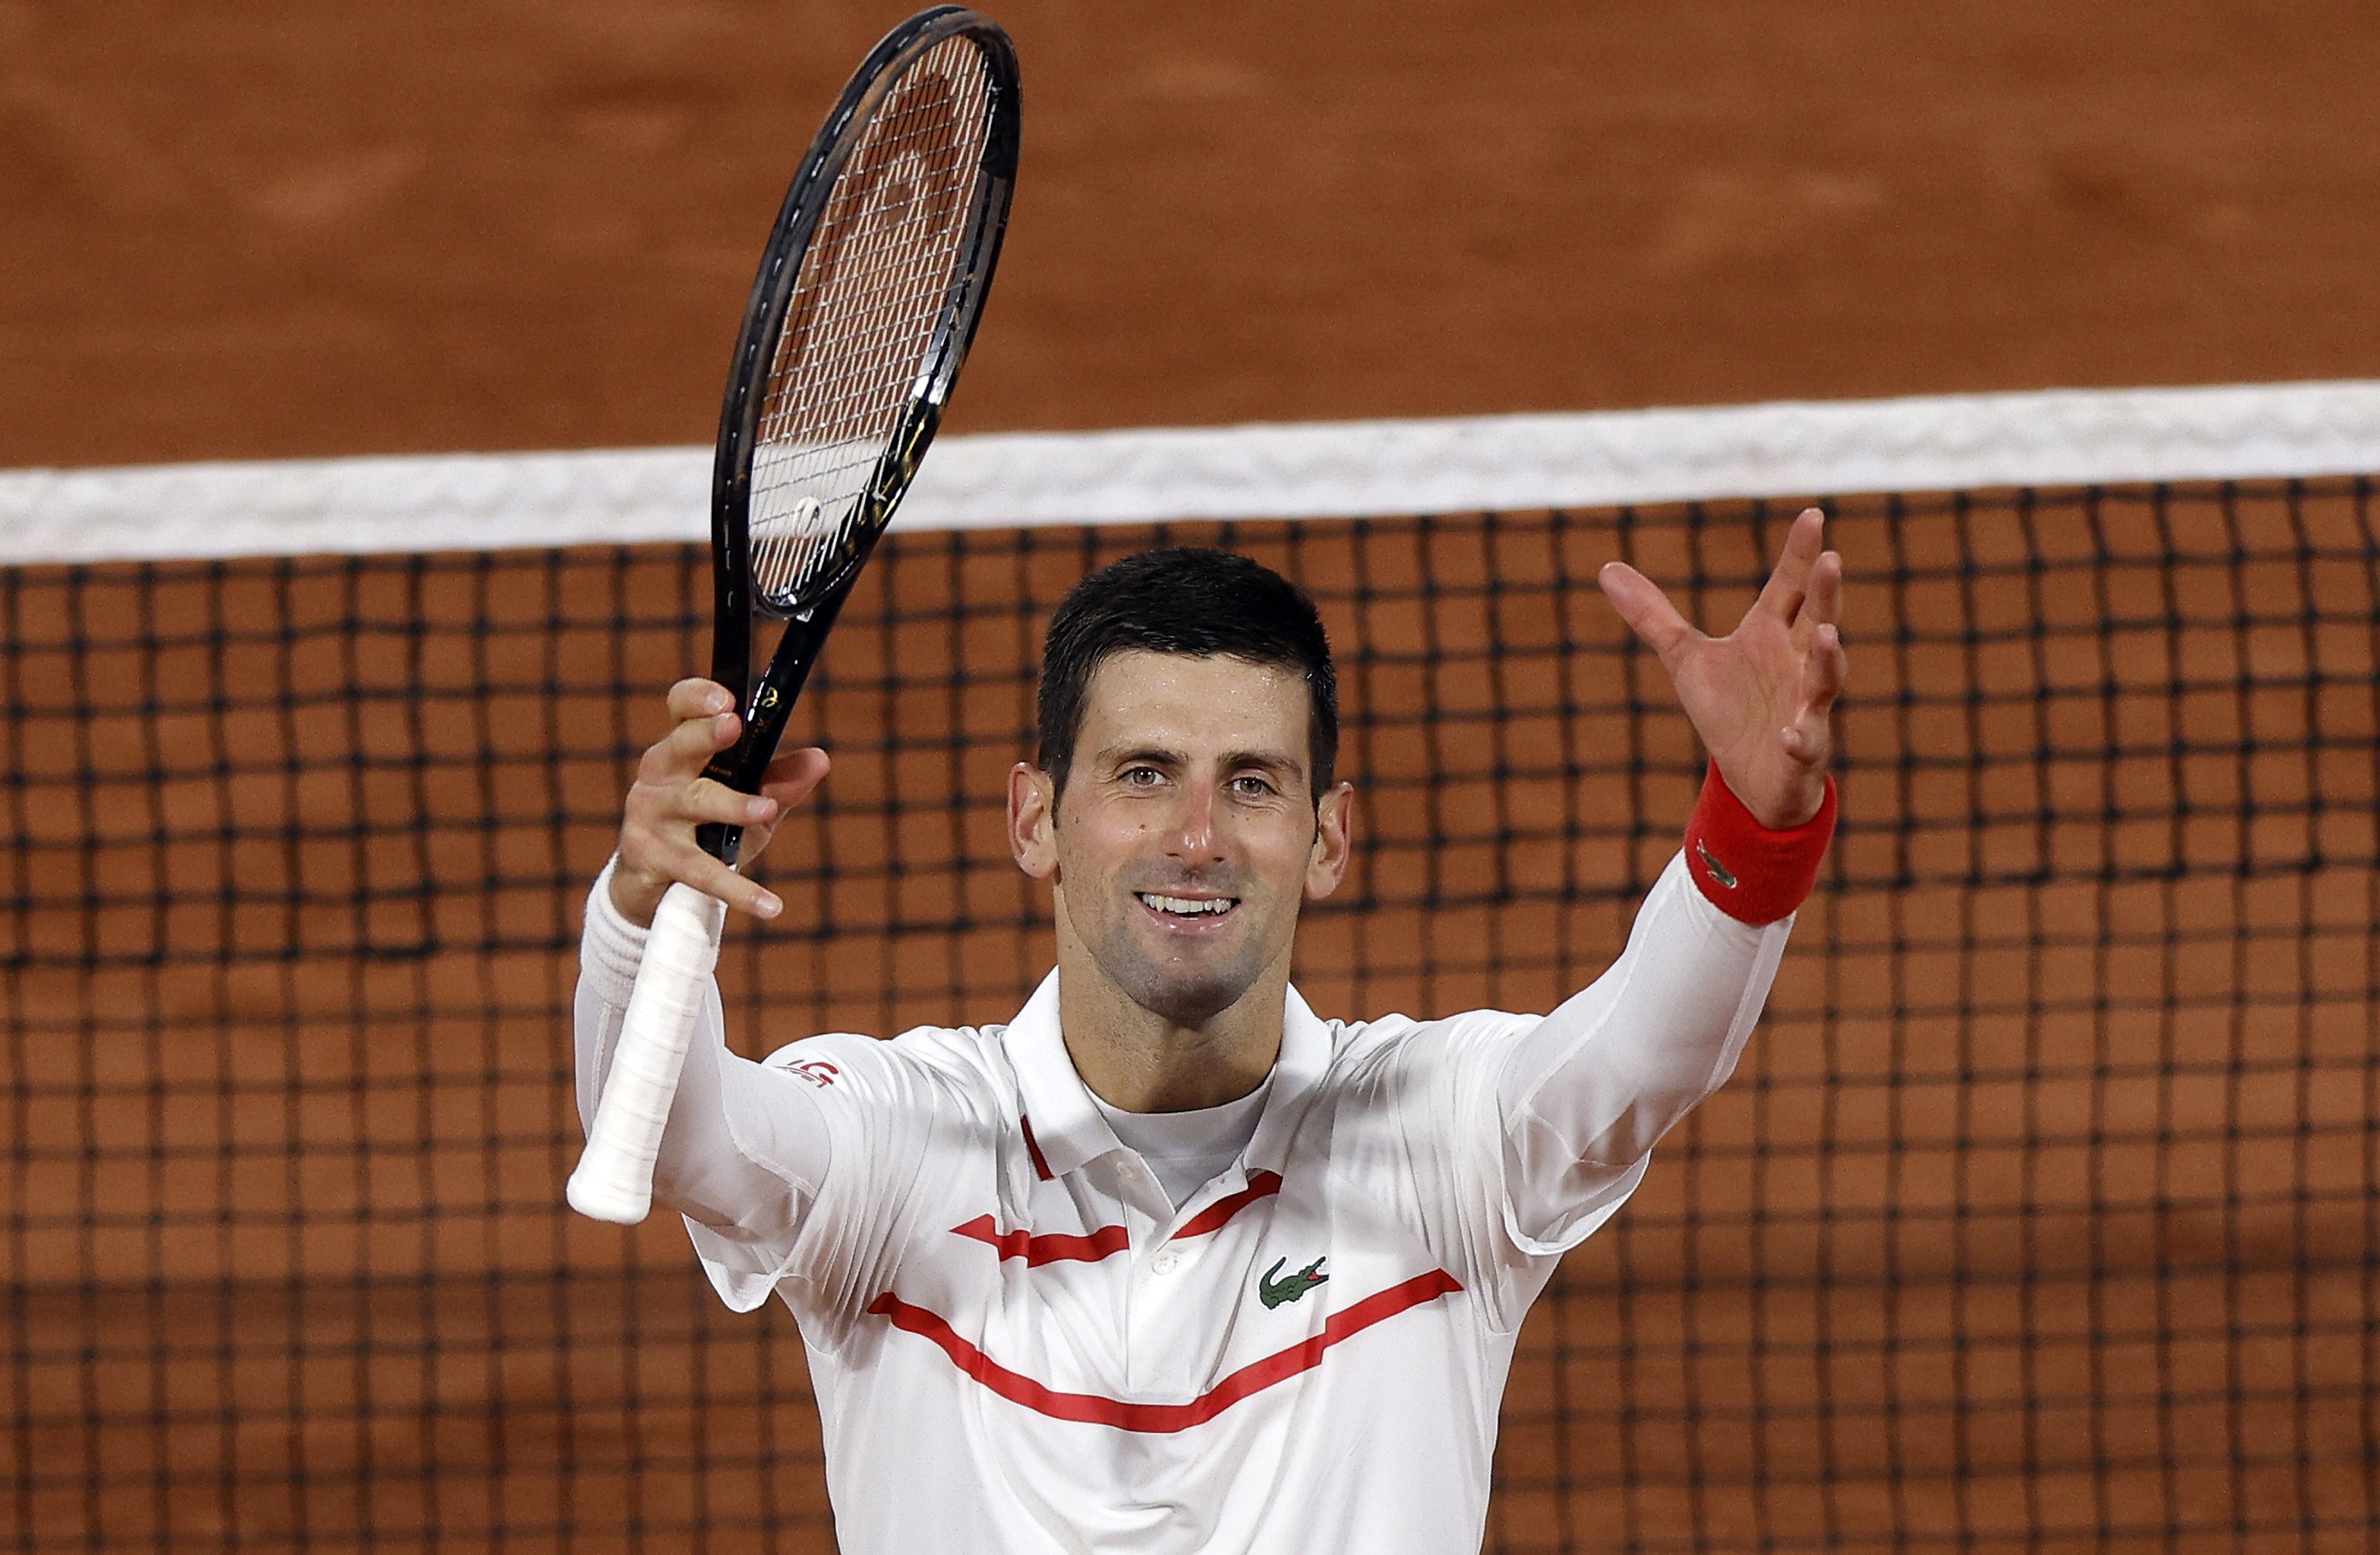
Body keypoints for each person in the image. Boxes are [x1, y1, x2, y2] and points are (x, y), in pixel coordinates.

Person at [575, 510, 1845, 1553]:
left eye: (1251, 780)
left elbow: (1641, 1057)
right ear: (1035, 820)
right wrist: (643, 904)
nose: (1196, 837)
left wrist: (1753, 816)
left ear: (1326, 835)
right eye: (1141, 773)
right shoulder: (892, 1131)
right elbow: (675, 1135)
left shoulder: (1442, 1134)